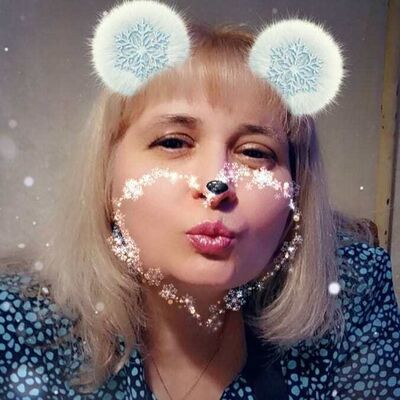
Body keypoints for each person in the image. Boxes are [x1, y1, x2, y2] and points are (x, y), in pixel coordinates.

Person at [0, 1, 399, 399]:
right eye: (173, 142)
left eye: (254, 152)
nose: (215, 183)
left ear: (298, 191)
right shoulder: (17, 326)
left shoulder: (352, 295)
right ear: (106, 178)